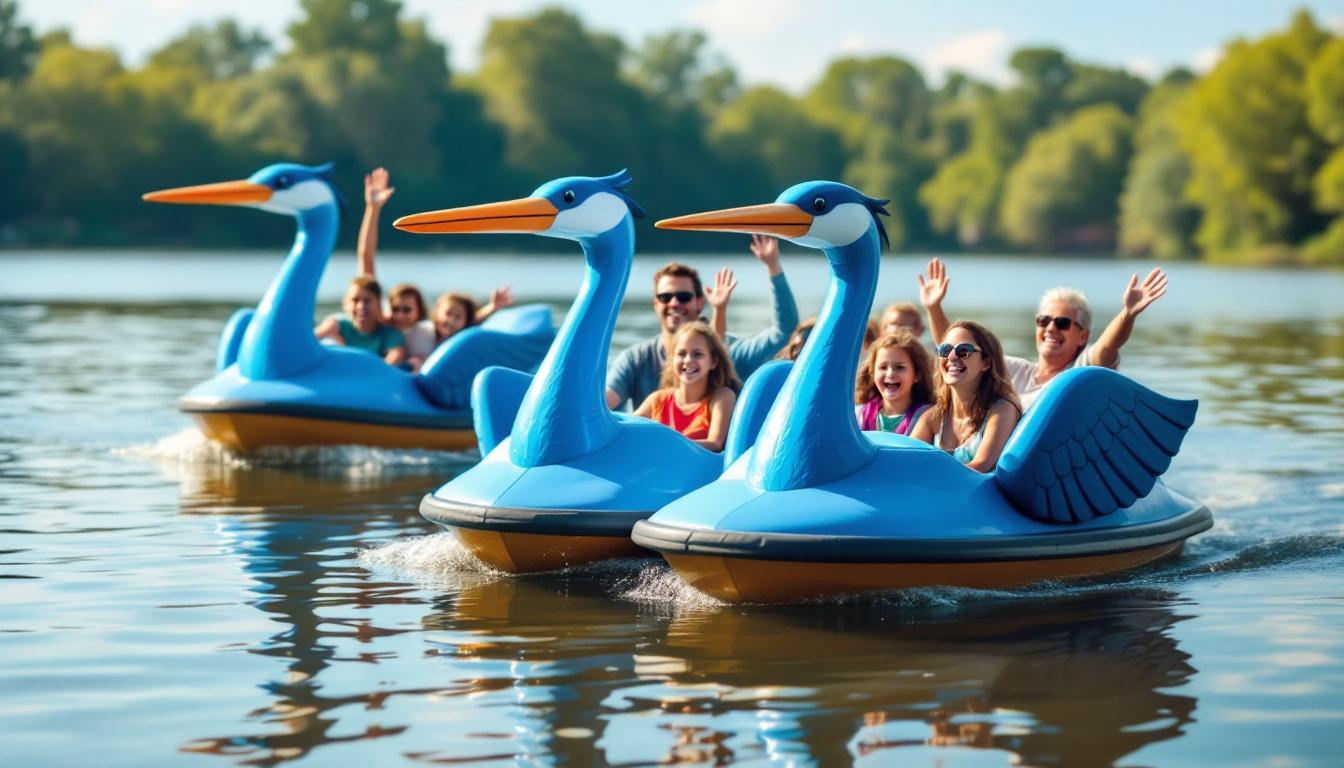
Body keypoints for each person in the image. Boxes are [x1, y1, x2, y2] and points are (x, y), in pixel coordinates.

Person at [917, 257, 1169, 409]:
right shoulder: (1014, 370)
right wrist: (933, 308)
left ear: (1083, 336)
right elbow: (957, 353)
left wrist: (1128, 314)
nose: (1051, 328)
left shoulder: (1080, 372)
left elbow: (1107, 347)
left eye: (1063, 323)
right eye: (1044, 321)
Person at [606, 234, 798, 409]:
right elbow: (605, 405)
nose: (674, 303)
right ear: (655, 304)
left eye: (683, 297)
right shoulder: (635, 359)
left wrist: (773, 267)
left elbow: (785, 331)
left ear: (699, 302)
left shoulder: (732, 354)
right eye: (665, 297)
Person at [353, 167, 512, 368]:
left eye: (406, 310)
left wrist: (492, 308)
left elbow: (464, 323)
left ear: (419, 311)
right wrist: (373, 209)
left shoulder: (428, 330)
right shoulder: (386, 325)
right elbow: (366, 260)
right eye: (395, 309)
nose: (399, 315)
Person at [910, 321, 1022, 472]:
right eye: (944, 350)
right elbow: (908, 461)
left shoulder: (1002, 411)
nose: (951, 357)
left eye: (963, 351)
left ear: (986, 363)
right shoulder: (933, 417)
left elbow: (980, 466)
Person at [634, 322, 740, 452]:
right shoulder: (656, 400)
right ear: (672, 359)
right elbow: (628, 428)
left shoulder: (722, 397)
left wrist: (665, 444)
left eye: (697, 354)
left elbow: (715, 443)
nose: (688, 360)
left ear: (713, 361)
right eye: (681, 354)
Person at [854, 331, 934, 435]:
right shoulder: (859, 415)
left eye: (900, 367)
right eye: (883, 367)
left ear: (917, 374)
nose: (890, 374)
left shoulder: (927, 416)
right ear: (872, 373)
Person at [313, 276, 407, 365]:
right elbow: (308, 342)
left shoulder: (389, 333)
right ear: (346, 304)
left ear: (378, 303)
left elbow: (395, 357)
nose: (361, 306)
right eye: (355, 300)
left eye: (367, 301)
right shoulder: (336, 325)